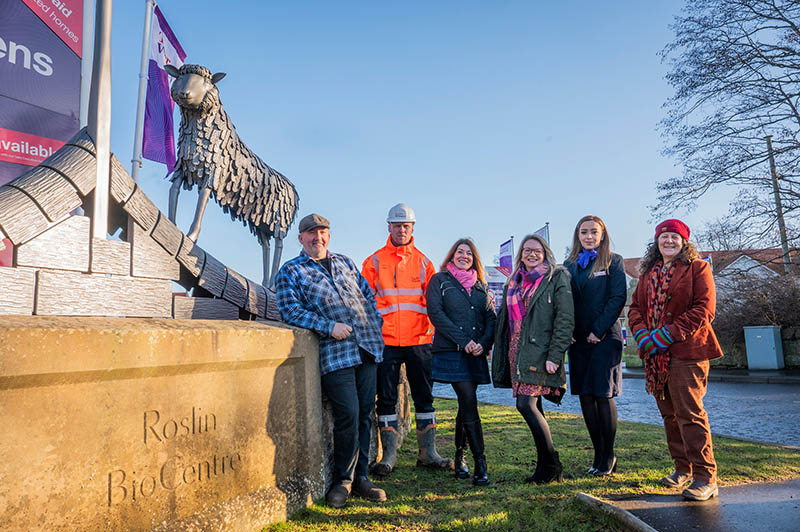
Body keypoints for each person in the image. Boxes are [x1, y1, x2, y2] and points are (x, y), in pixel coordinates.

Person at [275, 213, 387, 508]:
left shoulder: (345, 262)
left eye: (322, 232)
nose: (317, 238)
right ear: (301, 238)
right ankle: (343, 481)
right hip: (335, 353)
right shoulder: (291, 271)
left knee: (365, 413)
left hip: (366, 346)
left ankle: (362, 477)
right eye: (311, 233)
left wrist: (374, 322)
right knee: (347, 413)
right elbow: (290, 311)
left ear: (329, 235)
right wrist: (328, 326)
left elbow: (367, 296)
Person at [628, 219, 723, 501]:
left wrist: (665, 335)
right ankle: (683, 469)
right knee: (669, 414)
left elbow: (704, 310)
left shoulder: (698, 268)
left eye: (674, 237)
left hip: (687, 352)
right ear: (656, 242)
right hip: (656, 357)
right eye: (664, 237)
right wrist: (643, 335)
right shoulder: (647, 273)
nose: (668, 241)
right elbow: (635, 308)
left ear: (684, 242)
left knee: (690, 413)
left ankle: (706, 477)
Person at [362, 203, 453, 477]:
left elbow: (434, 303)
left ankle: (429, 453)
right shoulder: (374, 261)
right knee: (386, 399)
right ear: (389, 227)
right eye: (397, 225)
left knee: (425, 397)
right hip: (386, 341)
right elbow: (364, 302)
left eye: (406, 226)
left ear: (412, 228)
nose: (401, 230)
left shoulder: (424, 263)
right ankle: (388, 455)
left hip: (419, 339)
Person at [491, 234, 574, 484]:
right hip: (516, 350)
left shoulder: (556, 277)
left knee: (525, 405)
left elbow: (565, 319)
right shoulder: (512, 281)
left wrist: (555, 355)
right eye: (527, 250)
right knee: (535, 406)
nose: (531, 254)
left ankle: (550, 465)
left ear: (545, 252)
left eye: (536, 250)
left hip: (541, 351)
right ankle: (547, 464)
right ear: (521, 255)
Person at [426, 238, 496, 486]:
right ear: (452, 255)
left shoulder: (481, 286)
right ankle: (480, 462)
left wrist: (483, 344)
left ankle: (460, 455)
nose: (464, 256)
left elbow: (491, 318)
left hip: (475, 353)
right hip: (452, 351)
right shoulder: (440, 280)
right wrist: (464, 340)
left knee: (466, 404)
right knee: (468, 399)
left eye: (469, 253)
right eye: (460, 252)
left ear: (473, 258)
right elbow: (436, 314)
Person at [564, 215, 626, 477]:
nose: (589, 236)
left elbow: (617, 298)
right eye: (584, 232)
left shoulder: (614, 261)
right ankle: (598, 453)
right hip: (577, 341)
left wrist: (596, 331)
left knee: (603, 394)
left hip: (603, 338)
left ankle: (609, 455)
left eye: (594, 232)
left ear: (602, 235)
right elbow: (564, 302)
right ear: (578, 236)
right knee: (586, 397)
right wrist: (567, 332)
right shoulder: (568, 265)